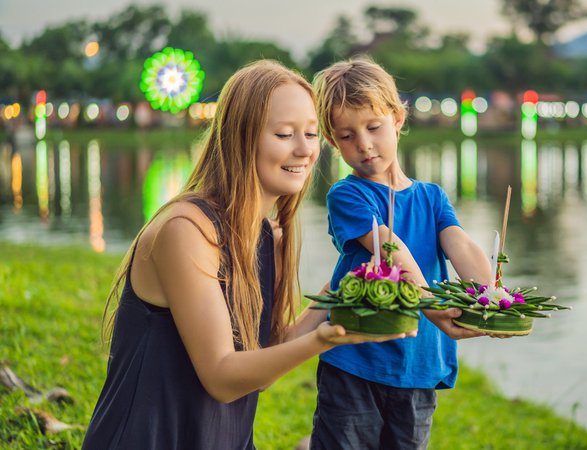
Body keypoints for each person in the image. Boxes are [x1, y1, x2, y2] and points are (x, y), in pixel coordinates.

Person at [82, 60, 413, 450]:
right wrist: (328, 338)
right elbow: (222, 377)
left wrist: (347, 290)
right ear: (241, 138)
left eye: (310, 133)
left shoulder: (264, 236)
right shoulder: (185, 231)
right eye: (284, 134)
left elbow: (264, 363)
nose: (305, 149)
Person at [306, 57, 494, 449]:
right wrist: (429, 302)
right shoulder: (348, 194)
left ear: (397, 119)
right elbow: (389, 247)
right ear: (331, 140)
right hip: (357, 358)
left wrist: (488, 294)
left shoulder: (431, 196)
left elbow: (459, 243)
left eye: (373, 127)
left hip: (418, 362)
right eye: (346, 135)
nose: (364, 145)